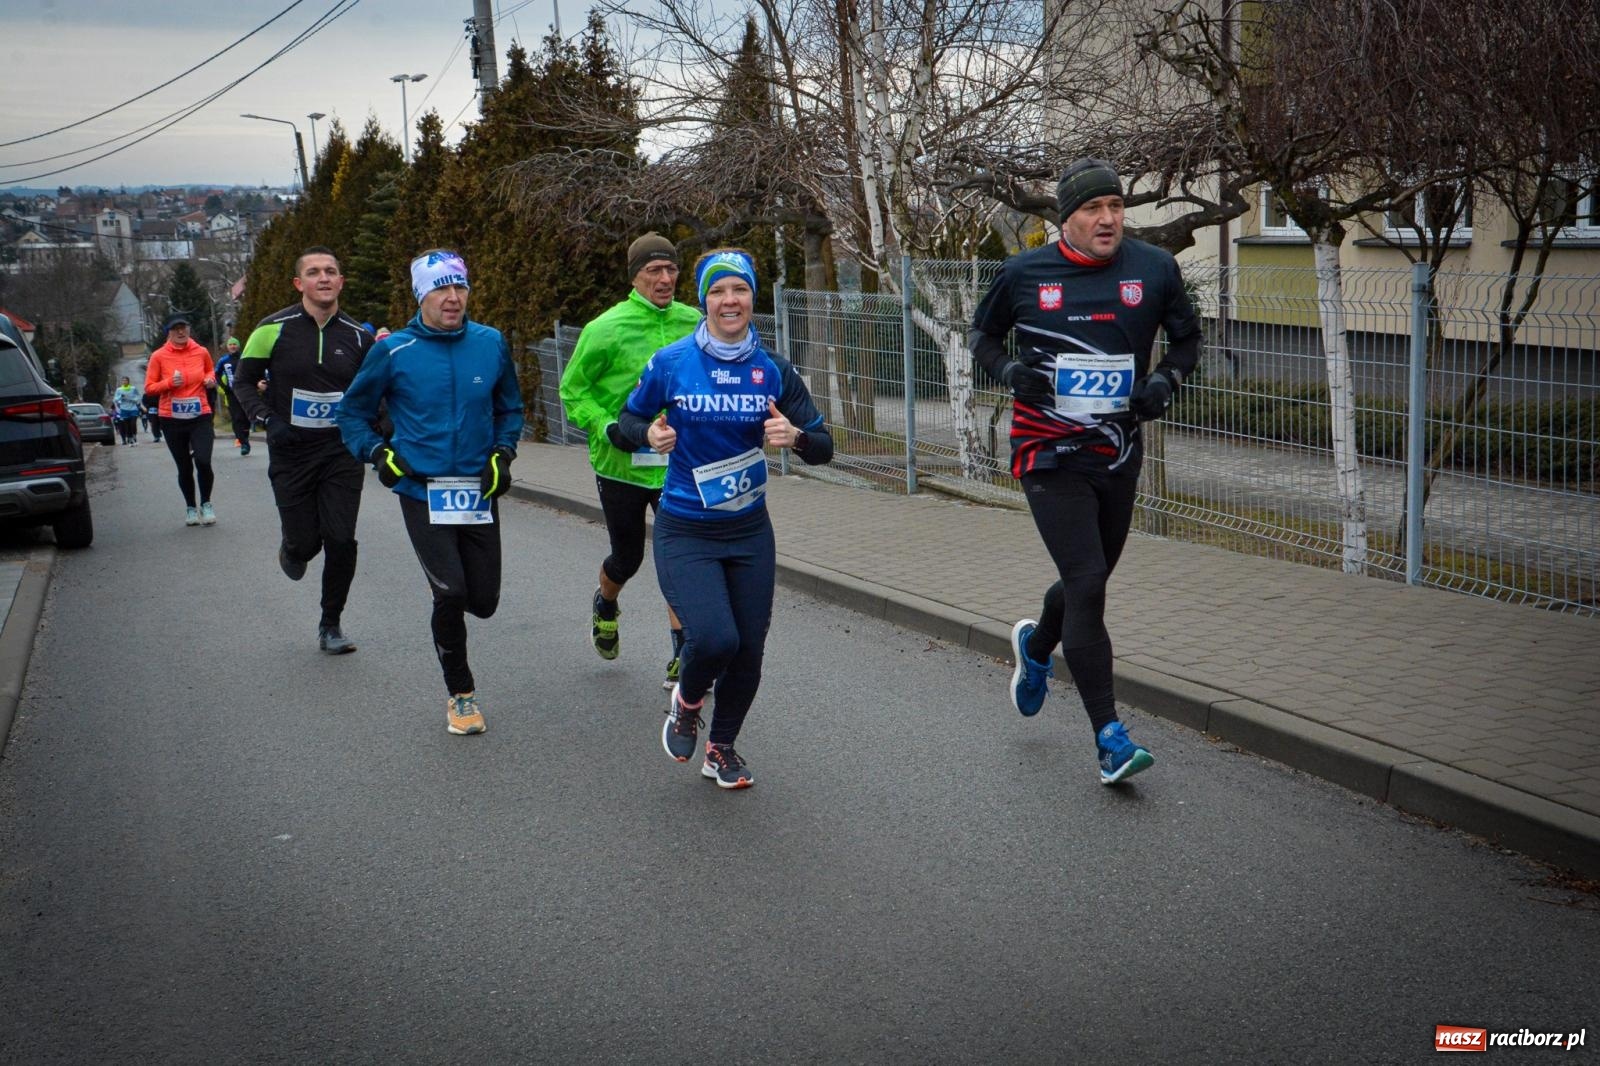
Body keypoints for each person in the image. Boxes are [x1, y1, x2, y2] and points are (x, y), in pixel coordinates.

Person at [969, 157, 1202, 785]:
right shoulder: (1024, 273)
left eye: (1116, 207)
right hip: (1047, 450)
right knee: (1088, 579)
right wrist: (1011, 373)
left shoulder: (1154, 268)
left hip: (1118, 453)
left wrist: (1165, 380)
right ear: (1066, 218)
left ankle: (1037, 646)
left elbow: (1187, 341)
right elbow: (983, 339)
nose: (1107, 220)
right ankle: (1110, 738)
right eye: (1092, 210)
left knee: (1086, 582)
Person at [614, 249, 833, 789]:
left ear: (751, 298)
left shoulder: (775, 370)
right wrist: (647, 435)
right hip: (686, 527)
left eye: (738, 290)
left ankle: (722, 748)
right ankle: (687, 703)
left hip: (749, 531)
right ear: (703, 299)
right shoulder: (671, 362)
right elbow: (626, 420)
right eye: (717, 291)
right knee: (714, 639)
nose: (728, 300)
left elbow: (824, 446)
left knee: (750, 649)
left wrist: (797, 439)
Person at [337, 249, 523, 735]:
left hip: (477, 491)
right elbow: (351, 414)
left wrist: (503, 453)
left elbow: (510, 409)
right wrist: (379, 453)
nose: (453, 298)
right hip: (422, 490)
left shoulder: (490, 343)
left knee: (483, 601)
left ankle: (448, 595)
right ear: (422, 294)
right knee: (451, 591)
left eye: (460, 287)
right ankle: (461, 696)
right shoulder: (393, 350)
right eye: (441, 288)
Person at [559, 232, 701, 687]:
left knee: (678, 557)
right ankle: (605, 602)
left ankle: (682, 658)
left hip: (677, 464)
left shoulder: (694, 323)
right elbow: (572, 391)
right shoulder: (606, 328)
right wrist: (607, 427)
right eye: (653, 271)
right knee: (628, 557)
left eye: (671, 269)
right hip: (620, 465)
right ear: (635, 276)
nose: (664, 278)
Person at [233, 247, 375, 655]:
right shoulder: (271, 329)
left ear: (341, 281)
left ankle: (331, 623)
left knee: (342, 539)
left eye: (331, 271)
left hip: (339, 452)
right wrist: (268, 420)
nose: (324, 278)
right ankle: (293, 546)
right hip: (291, 452)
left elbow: (374, 394)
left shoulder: (359, 337)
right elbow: (243, 382)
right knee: (305, 543)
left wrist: (377, 434)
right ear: (300, 284)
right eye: (314, 272)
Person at [142, 314, 218, 526]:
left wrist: (210, 379)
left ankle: (206, 503)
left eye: (184, 327)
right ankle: (191, 508)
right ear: (169, 332)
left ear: (189, 329)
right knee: (184, 467)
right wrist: (168, 383)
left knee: (203, 460)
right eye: (176, 329)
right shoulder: (158, 356)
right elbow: (149, 388)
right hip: (172, 418)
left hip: (200, 414)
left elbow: (210, 370)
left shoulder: (201, 352)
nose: (181, 332)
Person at [213, 337, 253, 455]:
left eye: (235, 344)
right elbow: (216, 374)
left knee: (246, 417)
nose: (233, 346)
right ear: (228, 347)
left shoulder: (245, 357)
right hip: (231, 393)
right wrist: (224, 387)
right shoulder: (223, 360)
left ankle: (245, 436)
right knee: (237, 417)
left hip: (245, 392)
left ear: (238, 346)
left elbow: (253, 370)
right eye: (230, 345)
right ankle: (243, 443)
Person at [111, 376, 141, 444]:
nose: (124, 382)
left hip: (133, 408)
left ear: (128, 381)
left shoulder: (133, 388)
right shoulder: (119, 390)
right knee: (127, 425)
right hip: (124, 409)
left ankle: (134, 435)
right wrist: (120, 397)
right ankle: (129, 437)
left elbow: (138, 396)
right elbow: (115, 399)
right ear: (122, 382)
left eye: (126, 380)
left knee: (133, 423)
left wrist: (134, 400)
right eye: (123, 381)